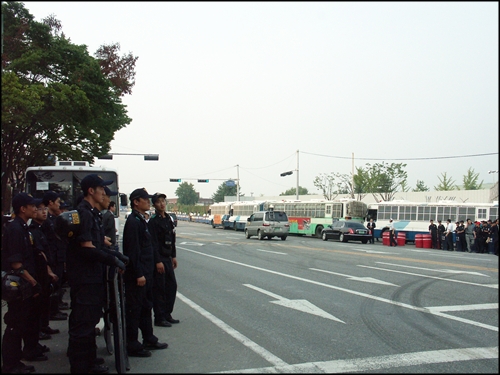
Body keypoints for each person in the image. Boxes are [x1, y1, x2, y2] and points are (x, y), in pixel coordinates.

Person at [65, 174, 127, 373]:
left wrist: (115, 255)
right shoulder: (83, 213)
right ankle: (81, 366)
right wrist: (112, 259)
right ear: (91, 191)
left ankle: (89, 360)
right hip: (85, 279)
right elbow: (87, 248)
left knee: (90, 322)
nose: (104, 193)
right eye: (101, 188)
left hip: (92, 277)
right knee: (83, 324)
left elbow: (97, 245)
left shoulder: (92, 213)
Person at [123, 188, 168, 358]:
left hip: (147, 273)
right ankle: (132, 344)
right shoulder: (133, 222)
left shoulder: (141, 220)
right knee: (135, 310)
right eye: (145, 199)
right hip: (139, 276)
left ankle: (148, 338)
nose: (149, 202)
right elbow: (132, 251)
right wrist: (138, 274)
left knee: (146, 307)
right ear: (136, 202)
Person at [1, 193, 44, 374]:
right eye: (32, 206)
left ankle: (16, 361)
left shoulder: (24, 228)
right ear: (22, 209)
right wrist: (33, 281)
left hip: (24, 284)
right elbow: (16, 263)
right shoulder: (16, 229)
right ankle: (11, 365)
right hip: (18, 286)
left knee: (20, 323)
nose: (36, 209)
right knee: (14, 325)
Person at [29, 199, 60, 342]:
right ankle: (38, 330)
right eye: (39, 209)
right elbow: (39, 254)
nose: (43, 212)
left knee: (45, 300)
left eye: (44, 209)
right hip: (38, 273)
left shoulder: (42, 228)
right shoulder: (32, 230)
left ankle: (44, 326)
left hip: (46, 270)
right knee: (37, 305)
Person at [149, 193, 180, 328]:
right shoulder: (153, 221)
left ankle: (167, 313)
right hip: (160, 258)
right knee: (159, 289)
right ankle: (159, 317)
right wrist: (157, 261)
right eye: (158, 202)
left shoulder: (168, 219)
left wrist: (173, 256)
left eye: (163, 201)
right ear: (154, 205)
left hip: (167, 257)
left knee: (171, 286)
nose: (162, 204)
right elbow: (153, 243)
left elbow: (172, 239)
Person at [41, 191, 68, 321]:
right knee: (51, 289)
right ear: (50, 203)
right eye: (57, 202)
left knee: (57, 286)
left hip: (58, 257)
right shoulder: (47, 221)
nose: (59, 205)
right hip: (52, 258)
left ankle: (53, 310)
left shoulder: (55, 220)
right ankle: (51, 313)